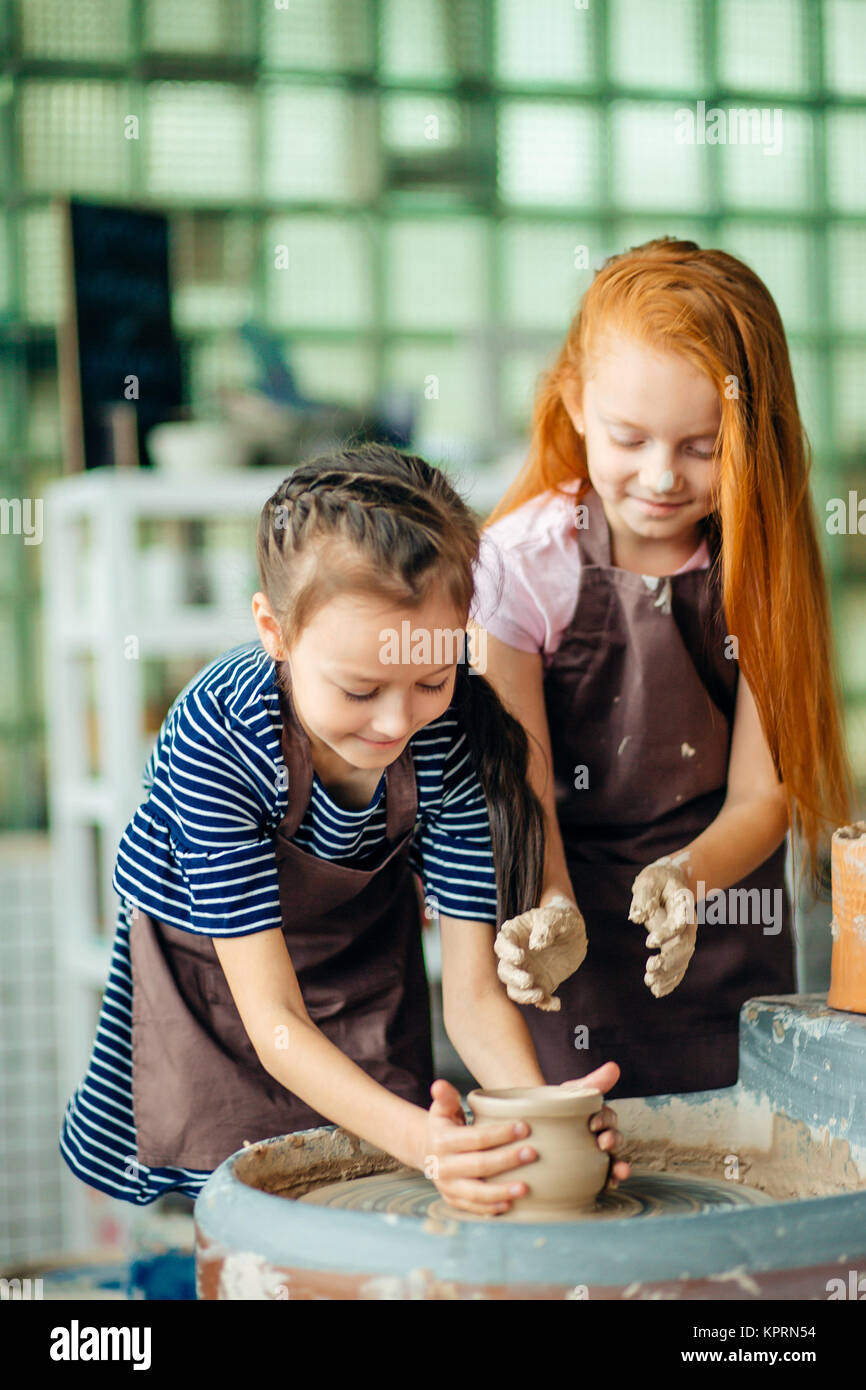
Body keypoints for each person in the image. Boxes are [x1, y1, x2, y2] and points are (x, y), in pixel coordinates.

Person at [59, 443, 630, 1214]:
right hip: (219, 986)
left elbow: (471, 997)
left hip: (359, 960)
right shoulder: (216, 735)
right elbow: (275, 1022)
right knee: (245, 1210)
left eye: (431, 679)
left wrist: (543, 1121)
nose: (397, 721)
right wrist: (430, 1144)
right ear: (276, 631)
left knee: (367, 1196)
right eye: (359, 689)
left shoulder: (452, 734)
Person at [472, 238, 853, 1099]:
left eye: (700, 446)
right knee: (591, 1172)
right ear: (574, 402)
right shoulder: (519, 565)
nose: (659, 477)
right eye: (629, 437)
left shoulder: (763, 568)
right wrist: (554, 909)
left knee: (745, 1175)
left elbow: (763, 797)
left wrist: (688, 879)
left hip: (722, 921)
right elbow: (521, 789)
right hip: (564, 916)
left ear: (753, 435)